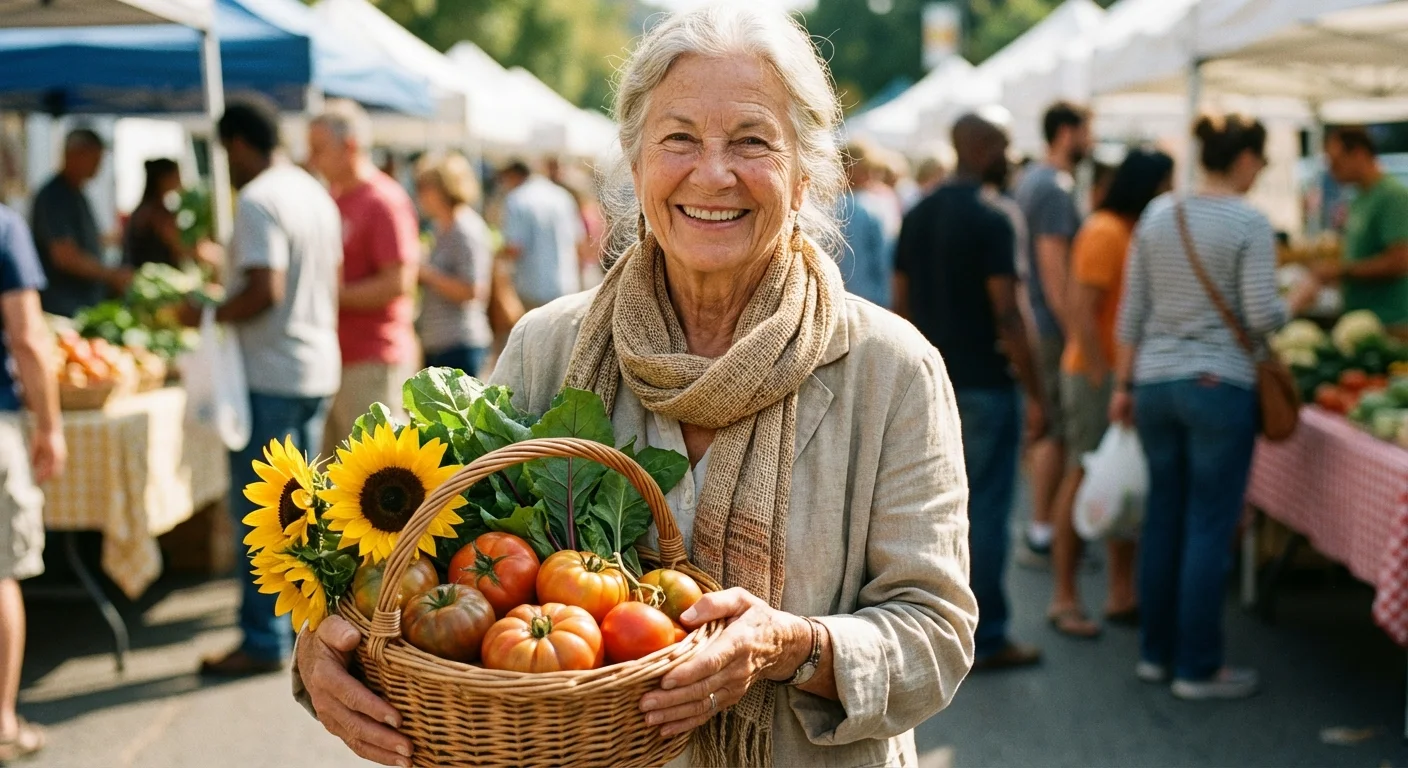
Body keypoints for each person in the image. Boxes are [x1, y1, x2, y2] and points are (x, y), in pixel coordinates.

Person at [295, 7, 978, 766]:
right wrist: (330, 646)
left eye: (752, 141)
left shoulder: (889, 370)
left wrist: (796, 645)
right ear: (634, 160)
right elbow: (444, 563)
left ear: (805, 170)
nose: (712, 174)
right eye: (679, 138)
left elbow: (937, 636)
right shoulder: (550, 347)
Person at [1111, 114, 1311, 699]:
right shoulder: (1250, 222)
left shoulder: (1158, 213)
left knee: (1164, 519)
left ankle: (1156, 653)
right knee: (1208, 526)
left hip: (1153, 384)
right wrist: (1297, 298)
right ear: (1245, 159)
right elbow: (1260, 316)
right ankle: (1197, 667)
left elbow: (1133, 311)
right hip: (1218, 385)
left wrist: (1123, 385)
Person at [194, 99, 343, 677]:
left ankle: (264, 639)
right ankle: (290, 628)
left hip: (273, 375)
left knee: (263, 512)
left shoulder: (258, 198)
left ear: (237, 144)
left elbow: (265, 289)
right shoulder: (311, 190)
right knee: (298, 511)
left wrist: (207, 314)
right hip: (313, 364)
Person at [895, 109, 1045, 672]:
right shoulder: (996, 216)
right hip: (983, 384)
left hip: (931, 381)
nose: (1009, 156)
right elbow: (1009, 312)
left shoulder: (921, 212)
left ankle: (935, 629)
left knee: (928, 513)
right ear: (981, 147)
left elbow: (900, 301)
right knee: (984, 509)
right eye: (1004, 145)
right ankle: (990, 633)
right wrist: (1039, 394)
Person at [1046, 149, 1174, 638]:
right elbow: (1082, 307)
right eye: (1165, 183)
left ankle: (1122, 592)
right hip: (1093, 375)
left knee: (1119, 480)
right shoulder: (1105, 231)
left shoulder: (1124, 230)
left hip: (1109, 374)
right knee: (1085, 473)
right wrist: (1103, 373)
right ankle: (1064, 595)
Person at [307, 100, 419, 445]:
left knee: (373, 473)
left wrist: (330, 295)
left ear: (350, 146)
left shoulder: (383, 200)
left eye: (319, 149)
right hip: (336, 356)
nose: (313, 160)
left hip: (372, 358)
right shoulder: (332, 197)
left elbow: (399, 282)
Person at [1013, 101, 1091, 565]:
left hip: (1038, 322)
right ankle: (1043, 528)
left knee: (1046, 426)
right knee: (1054, 431)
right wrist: (1076, 334)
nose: (1092, 140)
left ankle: (1042, 525)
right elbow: (1054, 268)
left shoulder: (1033, 182)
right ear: (1066, 132)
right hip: (1050, 326)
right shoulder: (1054, 188)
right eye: (1087, 129)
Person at [0, 204, 63, 761]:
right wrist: (50, 424)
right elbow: (26, 335)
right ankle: (1, 722)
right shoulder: (3, 225)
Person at [1315, 125, 1408, 329]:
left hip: (1389, 321)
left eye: (1336, 163)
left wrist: (1342, 271)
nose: (1332, 171)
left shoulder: (1393, 196)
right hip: (1360, 319)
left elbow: (1400, 261)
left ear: (1358, 154)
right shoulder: (1358, 198)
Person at [30, 128, 130, 316]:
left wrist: (109, 239)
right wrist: (110, 275)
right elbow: (64, 255)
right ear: (74, 155)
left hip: (83, 302)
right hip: (63, 305)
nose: (98, 165)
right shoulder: (55, 196)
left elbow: (80, 240)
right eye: (94, 157)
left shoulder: (75, 192)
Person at [413, 154, 493, 376]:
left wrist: (427, 274)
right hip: (439, 341)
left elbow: (474, 290)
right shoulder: (440, 228)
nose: (420, 195)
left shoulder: (466, 229)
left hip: (460, 343)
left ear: (445, 188)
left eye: (425, 188)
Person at [497, 159, 583, 311]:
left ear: (513, 176)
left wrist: (496, 257)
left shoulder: (517, 199)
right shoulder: (562, 196)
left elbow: (514, 247)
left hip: (533, 290)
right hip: (566, 286)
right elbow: (578, 241)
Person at [122, 158, 219, 271]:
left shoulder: (149, 209)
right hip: (152, 280)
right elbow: (180, 247)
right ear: (162, 179)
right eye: (176, 175)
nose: (180, 180)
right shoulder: (154, 213)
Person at [836, 143, 894, 307]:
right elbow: (883, 263)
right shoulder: (870, 208)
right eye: (867, 168)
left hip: (832, 302)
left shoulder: (821, 206)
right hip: (868, 302)